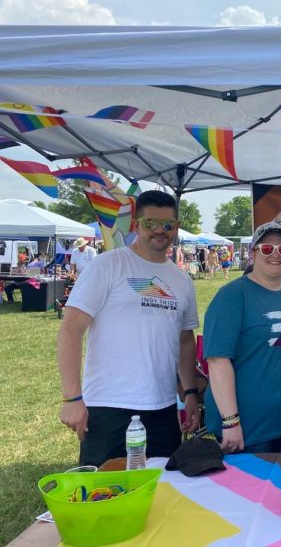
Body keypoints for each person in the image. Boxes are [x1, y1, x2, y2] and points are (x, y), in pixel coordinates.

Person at [57, 190, 200, 466]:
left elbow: (185, 340)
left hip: (163, 407)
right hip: (110, 405)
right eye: (150, 223)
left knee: (161, 490)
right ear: (136, 225)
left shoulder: (182, 280)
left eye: (168, 224)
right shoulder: (108, 265)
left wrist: (191, 393)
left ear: (176, 227)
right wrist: (72, 397)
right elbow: (71, 330)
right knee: (106, 492)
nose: (160, 230)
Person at [203, 222, 281, 453]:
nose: (275, 255)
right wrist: (231, 421)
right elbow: (218, 360)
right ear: (253, 252)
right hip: (249, 429)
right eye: (267, 249)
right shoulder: (232, 296)